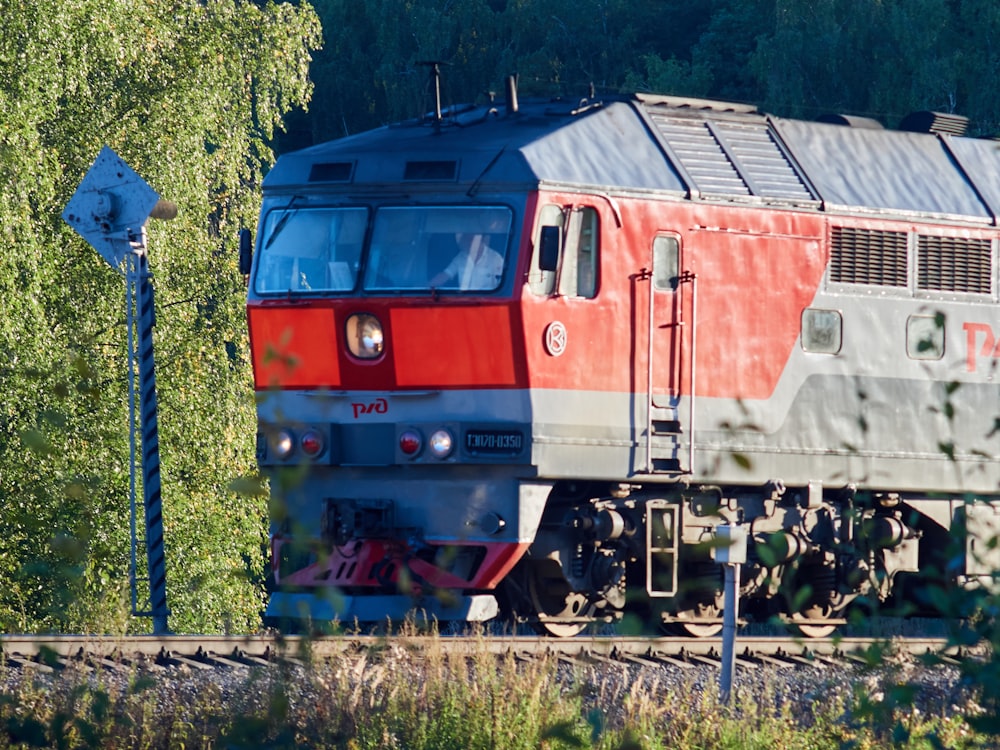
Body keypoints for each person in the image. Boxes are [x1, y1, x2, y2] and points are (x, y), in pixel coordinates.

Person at [429, 230, 504, 290]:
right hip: (465, 302)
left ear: (478, 239)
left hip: (487, 304)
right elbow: (445, 275)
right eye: (464, 240)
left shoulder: (495, 258)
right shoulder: (461, 257)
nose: (465, 243)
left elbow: (503, 286)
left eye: (469, 239)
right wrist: (427, 288)